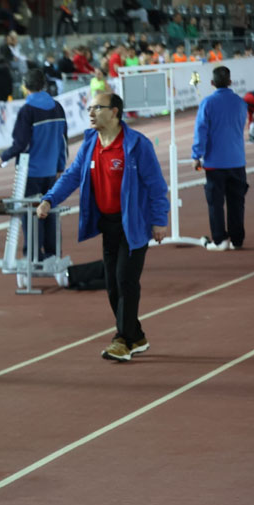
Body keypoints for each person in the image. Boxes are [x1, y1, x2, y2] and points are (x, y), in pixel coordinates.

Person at [36, 93, 168, 362]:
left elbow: (156, 186)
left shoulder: (137, 145)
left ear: (115, 112)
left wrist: (159, 220)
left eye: (97, 107)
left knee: (125, 280)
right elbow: (72, 175)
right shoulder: (90, 144)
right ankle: (137, 336)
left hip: (134, 224)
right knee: (112, 285)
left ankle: (122, 340)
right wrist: (49, 199)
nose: (91, 112)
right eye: (90, 108)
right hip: (108, 224)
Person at [0, 68, 68, 261]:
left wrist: (4, 157)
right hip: (52, 171)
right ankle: (54, 254)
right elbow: (63, 139)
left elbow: (21, 143)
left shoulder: (27, 111)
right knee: (51, 212)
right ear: (44, 85)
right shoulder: (57, 107)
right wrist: (60, 166)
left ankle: (34, 257)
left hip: (31, 173)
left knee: (31, 215)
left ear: (24, 87)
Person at [192, 66, 248, 251]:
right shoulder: (240, 103)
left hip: (215, 163)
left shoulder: (207, 103)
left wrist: (196, 155)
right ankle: (237, 239)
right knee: (237, 202)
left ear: (212, 83)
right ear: (230, 82)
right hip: (237, 160)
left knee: (215, 203)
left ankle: (219, 240)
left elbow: (201, 131)